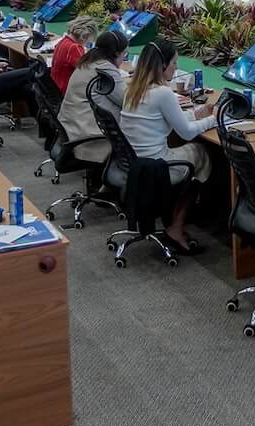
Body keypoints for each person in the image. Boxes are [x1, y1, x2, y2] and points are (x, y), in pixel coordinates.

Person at [117, 39, 215, 250]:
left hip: (137, 166)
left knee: (194, 152)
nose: (176, 67)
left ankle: (175, 218)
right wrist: (213, 120)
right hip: (158, 167)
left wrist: (195, 113)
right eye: (174, 63)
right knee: (201, 153)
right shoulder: (163, 93)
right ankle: (176, 225)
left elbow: (163, 117)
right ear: (162, 65)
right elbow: (186, 133)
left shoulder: (132, 88)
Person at [58, 27, 127, 157]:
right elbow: (127, 101)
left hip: (72, 129)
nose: (124, 58)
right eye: (124, 54)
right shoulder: (105, 68)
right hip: (89, 136)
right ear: (116, 53)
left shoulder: (88, 61)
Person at [49, 15, 100, 94]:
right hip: (64, 91)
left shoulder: (63, 41)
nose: (87, 43)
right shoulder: (75, 48)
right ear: (85, 36)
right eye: (88, 41)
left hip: (54, 86)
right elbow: (87, 72)